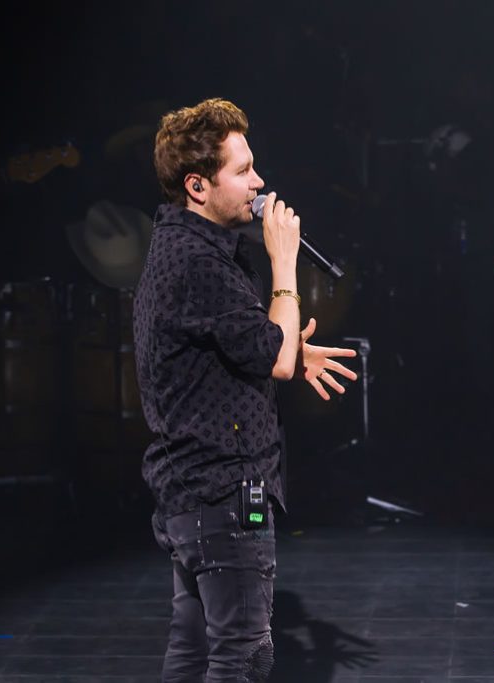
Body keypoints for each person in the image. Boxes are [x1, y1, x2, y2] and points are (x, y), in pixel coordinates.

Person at [133, 97, 357, 682]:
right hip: (221, 490)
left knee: (192, 651)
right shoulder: (199, 263)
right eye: (243, 171)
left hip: (194, 490)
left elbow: (239, 345)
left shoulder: (185, 247)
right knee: (244, 656)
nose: (259, 183)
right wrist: (285, 264)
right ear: (198, 186)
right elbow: (274, 361)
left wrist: (288, 348)